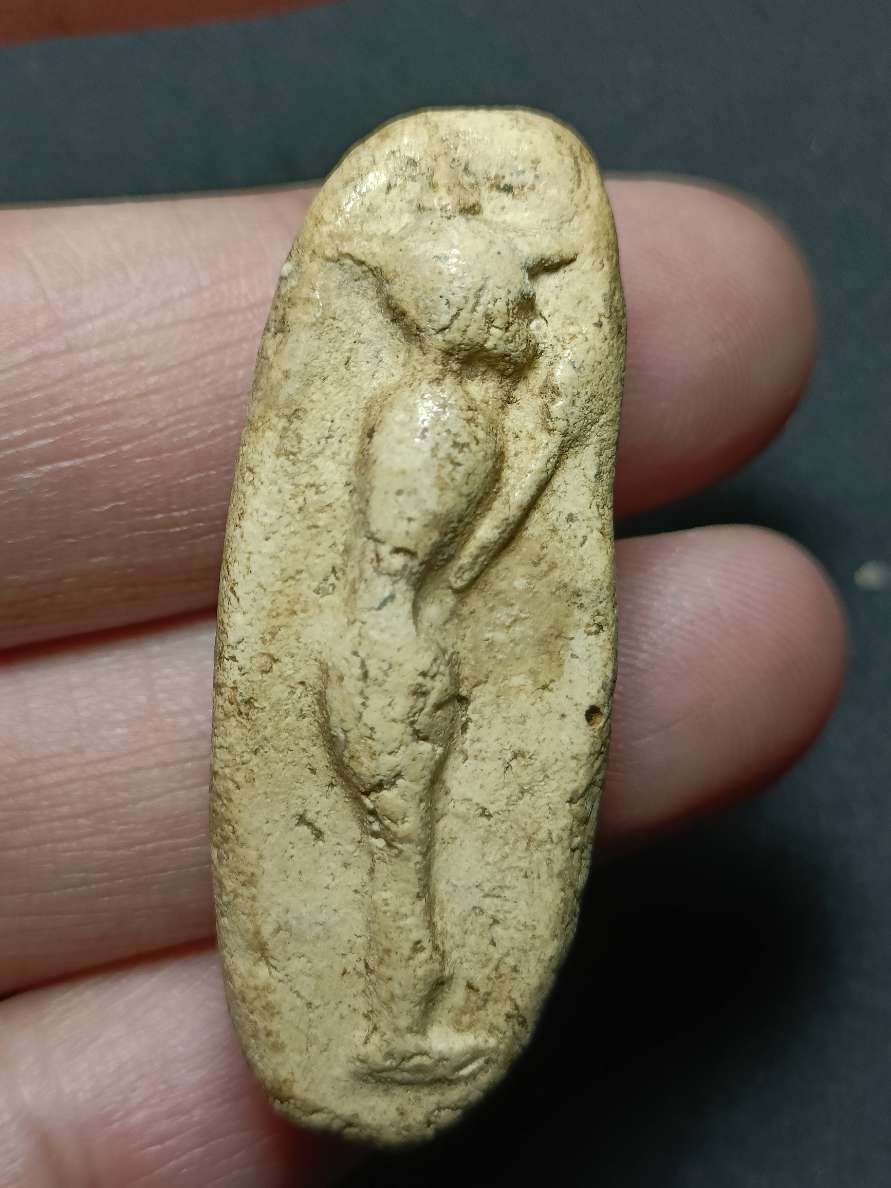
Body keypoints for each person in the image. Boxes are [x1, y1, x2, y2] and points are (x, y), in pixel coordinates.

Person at [0, 4, 846, 1185]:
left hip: (391, 650)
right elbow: (444, 560)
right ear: (468, 312)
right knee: (401, 850)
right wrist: (550, 448)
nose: (524, 323)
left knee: (405, 848)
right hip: (390, 659)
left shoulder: (442, 411)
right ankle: (393, 1027)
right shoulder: (444, 417)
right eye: (510, 305)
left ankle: (395, 1019)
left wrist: (546, 452)